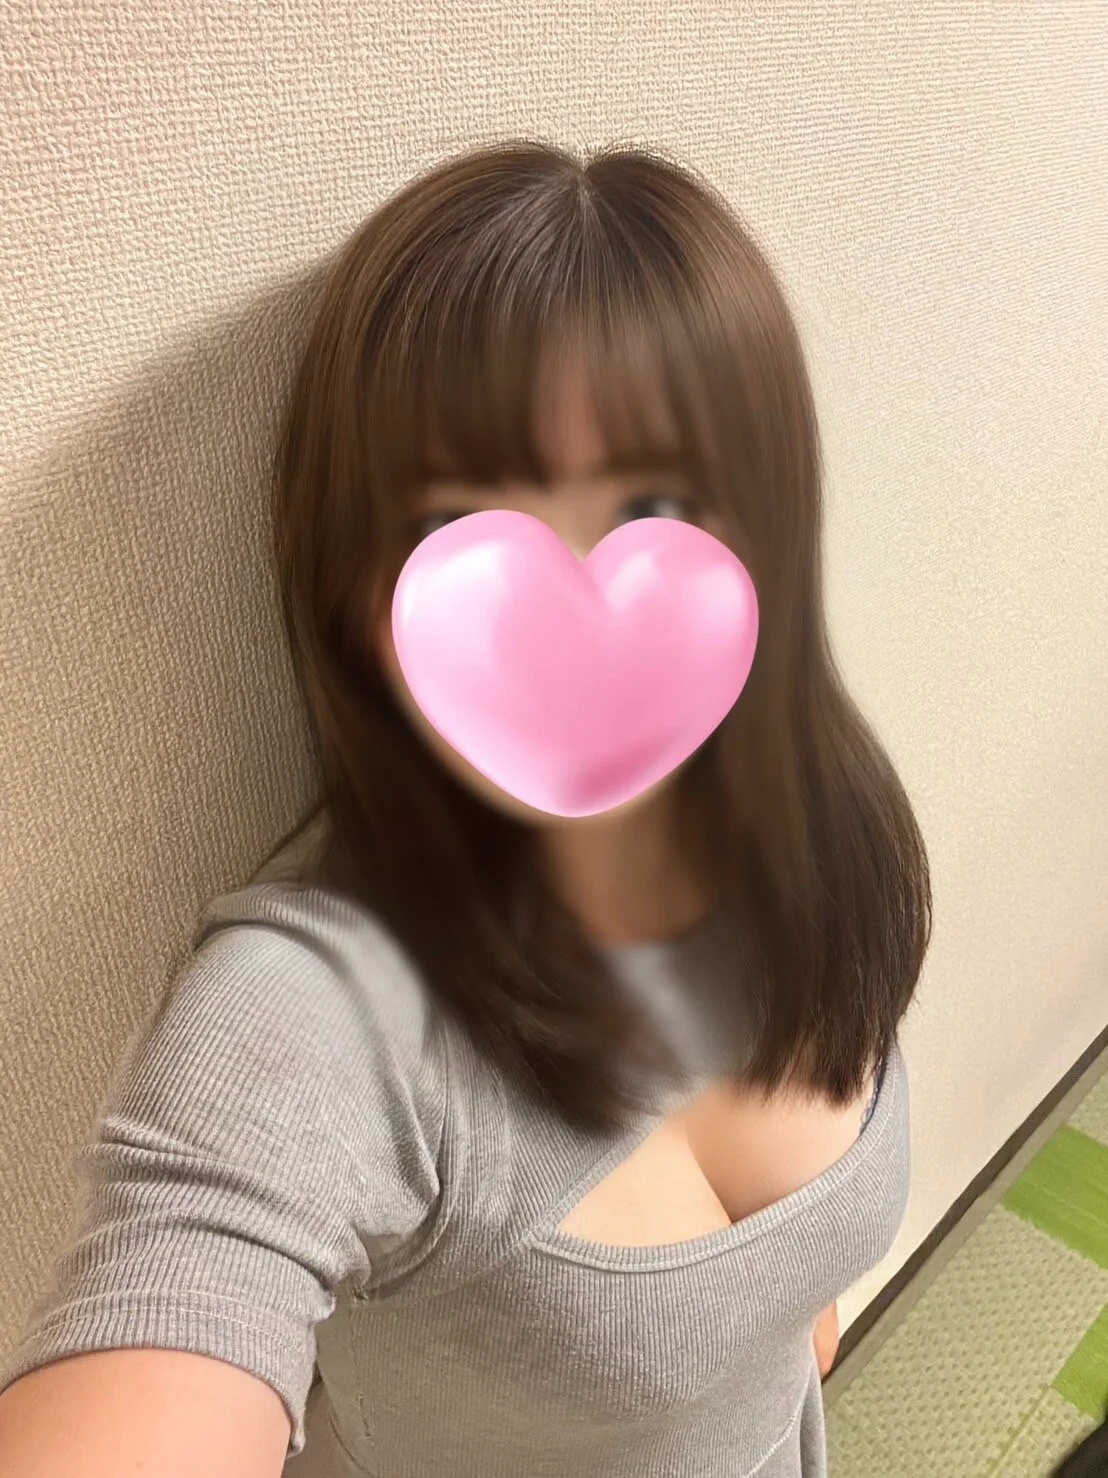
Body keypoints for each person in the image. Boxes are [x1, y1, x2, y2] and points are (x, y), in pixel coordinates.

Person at [0, 140, 931, 1477]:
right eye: (468, 529)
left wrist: (778, 1311)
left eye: (662, 504)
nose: (569, 614)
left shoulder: (809, 824)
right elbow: (183, 1283)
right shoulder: (323, 1007)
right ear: (351, 583)